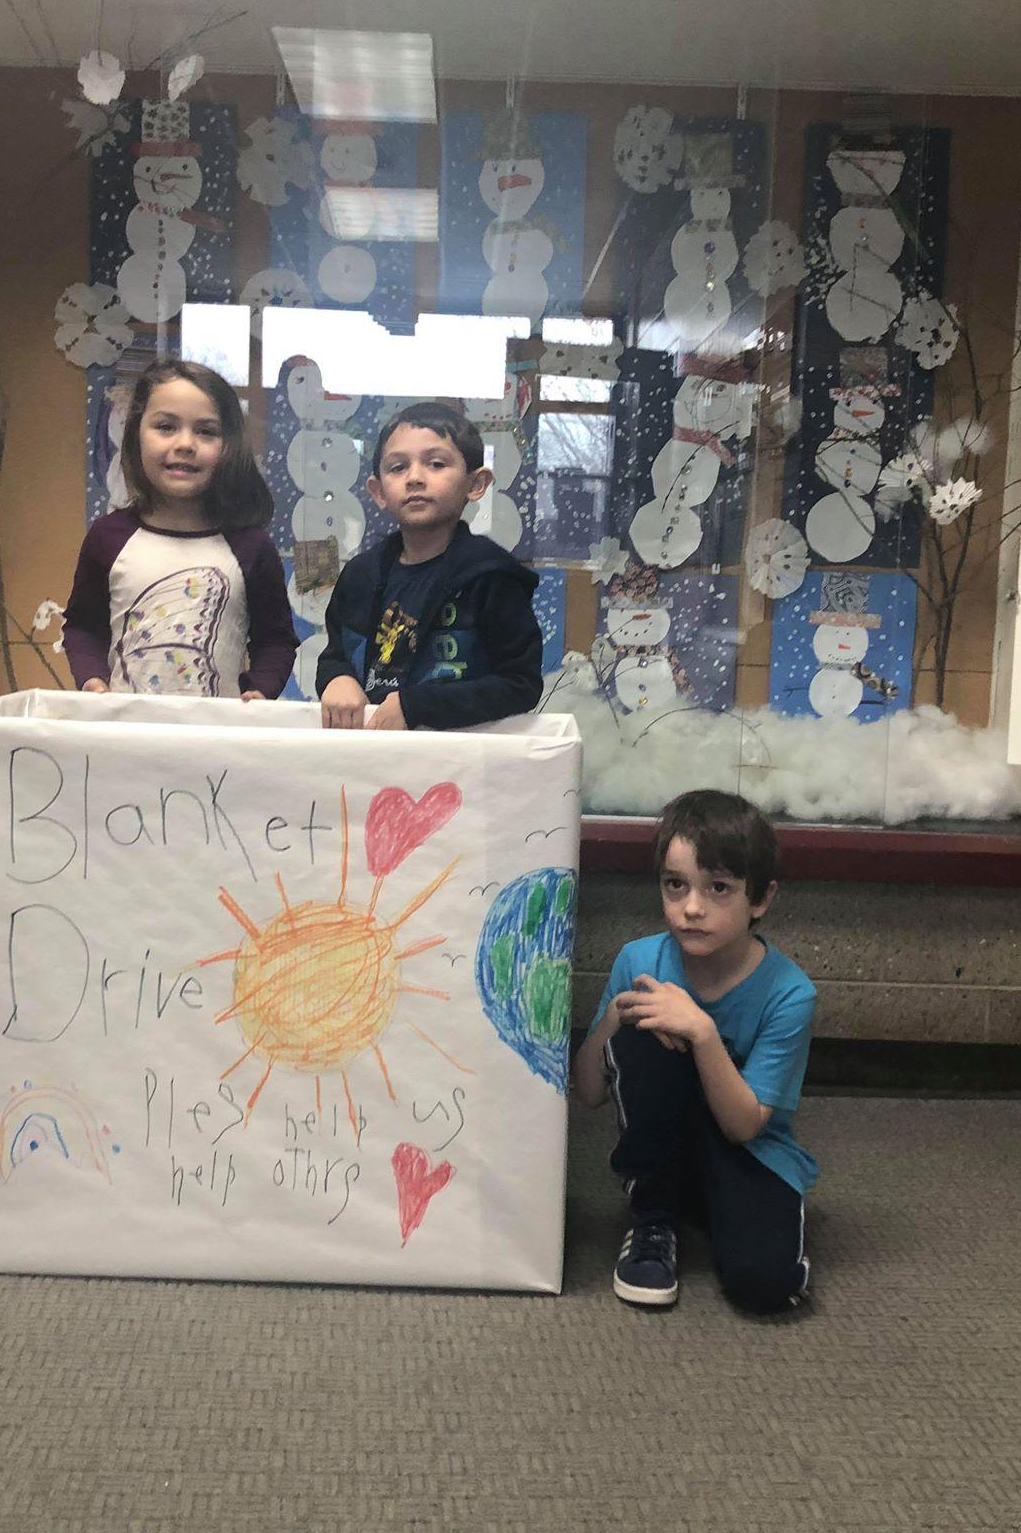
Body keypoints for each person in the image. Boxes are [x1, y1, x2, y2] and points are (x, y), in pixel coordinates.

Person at [570, 789, 817, 1313]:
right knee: (643, 1023)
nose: (692, 908)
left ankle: (712, 1204)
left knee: (765, 1286)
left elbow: (745, 1126)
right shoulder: (640, 959)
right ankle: (654, 1215)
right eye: (674, 884)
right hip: (668, 1144)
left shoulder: (790, 993)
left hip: (750, 1151)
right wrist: (618, 1015)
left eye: (719, 888)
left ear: (761, 899)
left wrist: (702, 1033)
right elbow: (588, 1092)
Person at [62, 358, 297, 698]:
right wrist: (92, 679)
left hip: (217, 740)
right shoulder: (107, 537)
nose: (185, 443)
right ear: (136, 435)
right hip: (123, 736)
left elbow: (275, 639)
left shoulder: (251, 547)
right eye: (166, 427)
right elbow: (83, 627)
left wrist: (260, 689)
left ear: (227, 446)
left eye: (205, 431)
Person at [315, 400, 543, 731]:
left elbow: (520, 684)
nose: (415, 478)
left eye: (436, 464)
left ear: (476, 484)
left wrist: (418, 706)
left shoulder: (491, 577)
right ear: (379, 492)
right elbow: (335, 653)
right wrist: (336, 677)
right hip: (369, 751)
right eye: (397, 468)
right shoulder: (360, 575)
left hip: (459, 758)